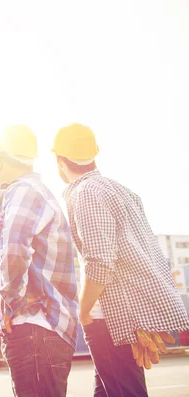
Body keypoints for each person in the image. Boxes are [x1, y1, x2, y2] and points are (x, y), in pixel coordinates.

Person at [52, 123, 189, 397]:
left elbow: (100, 261)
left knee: (124, 392)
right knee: (107, 390)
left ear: (59, 160)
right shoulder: (122, 190)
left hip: (108, 319)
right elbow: (148, 255)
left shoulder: (86, 193)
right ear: (94, 154)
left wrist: (84, 309)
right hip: (125, 314)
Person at [0, 125, 79, 397]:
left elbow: (13, 249)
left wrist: (12, 304)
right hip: (40, 331)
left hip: (36, 328)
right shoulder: (29, 193)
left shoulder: (23, 191)